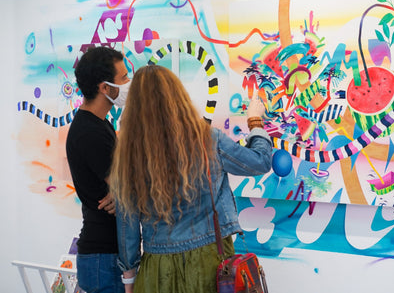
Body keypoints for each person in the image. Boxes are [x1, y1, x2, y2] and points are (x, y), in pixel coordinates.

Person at [109, 65, 272, 293]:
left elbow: (127, 227)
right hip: (210, 260)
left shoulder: (128, 155)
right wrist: (255, 120)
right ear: (178, 96)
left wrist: (129, 278)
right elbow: (260, 162)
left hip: (158, 268)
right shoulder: (208, 140)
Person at [66, 46, 131, 293]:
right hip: (102, 258)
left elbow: (124, 186)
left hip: (108, 252)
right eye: (123, 78)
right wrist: (124, 192)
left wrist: (124, 192)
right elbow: (127, 186)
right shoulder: (90, 132)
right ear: (104, 88)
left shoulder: (100, 124)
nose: (128, 83)